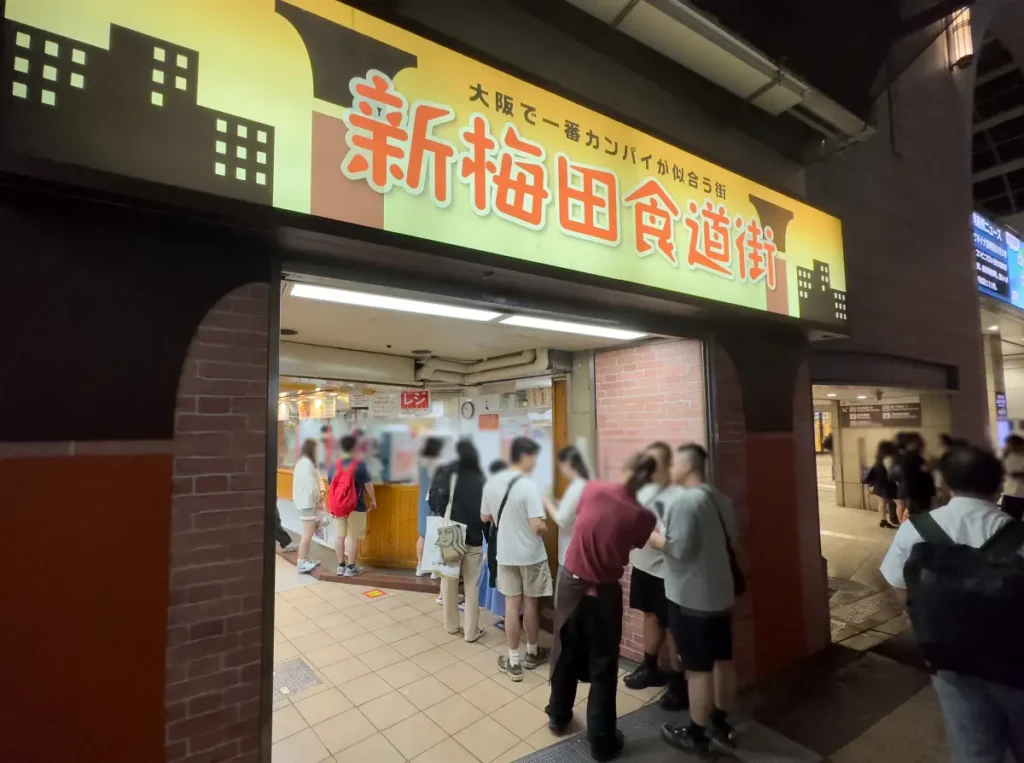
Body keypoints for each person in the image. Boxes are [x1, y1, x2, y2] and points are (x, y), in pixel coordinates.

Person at [880, 445, 1024, 762]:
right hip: (1015, 660)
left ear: (944, 485)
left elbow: (898, 586)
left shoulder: (915, 529)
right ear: (999, 485)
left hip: (948, 657)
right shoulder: (1018, 535)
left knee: (973, 747)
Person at [547, 452, 660, 761]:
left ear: (623, 467)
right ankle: (601, 741)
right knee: (603, 665)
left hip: (570, 584)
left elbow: (580, 521)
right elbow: (635, 541)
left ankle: (558, 715)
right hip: (605, 593)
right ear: (649, 480)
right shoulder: (643, 515)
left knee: (564, 650)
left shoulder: (591, 489)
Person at [653, 444, 739, 756]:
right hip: (720, 596)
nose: (670, 468)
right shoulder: (720, 499)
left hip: (692, 600)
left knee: (699, 670)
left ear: (687, 465)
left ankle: (697, 734)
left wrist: (653, 537)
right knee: (723, 662)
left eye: (674, 462)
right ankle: (721, 721)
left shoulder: (686, 501)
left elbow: (679, 549)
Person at [622, 442, 687, 710]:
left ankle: (679, 682)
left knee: (673, 626)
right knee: (649, 616)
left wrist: (644, 533)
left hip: (667, 573)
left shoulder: (677, 496)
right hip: (643, 566)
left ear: (667, 465)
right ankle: (650, 666)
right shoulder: (642, 491)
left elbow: (674, 540)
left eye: (655, 463)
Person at [481, 437, 552, 681]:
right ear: (525, 457)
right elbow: (535, 526)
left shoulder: (491, 483)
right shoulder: (528, 486)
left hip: (506, 555)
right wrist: (545, 527)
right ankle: (532, 653)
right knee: (531, 605)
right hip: (531, 556)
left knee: (512, 606)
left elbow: (484, 517)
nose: (535, 463)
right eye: (534, 458)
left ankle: (513, 661)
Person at [434, 440, 488, 642]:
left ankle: (451, 626)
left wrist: (449, 514)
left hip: (451, 533)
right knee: (472, 585)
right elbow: (486, 510)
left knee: (449, 580)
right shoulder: (481, 477)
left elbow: (434, 501)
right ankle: (471, 632)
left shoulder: (447, 472)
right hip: (474, 535)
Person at [328, 434, 376, 577]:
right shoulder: (360, 466)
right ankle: (351, 567)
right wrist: (373, 500)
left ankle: (340, 566)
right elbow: (368, 484)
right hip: (356, 505)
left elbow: (331, 484)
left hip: (337, 506)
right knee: (352, 536)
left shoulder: (334, 466)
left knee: (339, 536)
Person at [543, 446, 590, 577]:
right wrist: (561, 504)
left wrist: (546, 500)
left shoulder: (576, 487)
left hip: (570, 557)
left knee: (565, 596)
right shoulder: (585, 483)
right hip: (578, 555)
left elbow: (562, 519)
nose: (561, 471)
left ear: (567, 464)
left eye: (561, 467)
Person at [480, 459, 509, 629]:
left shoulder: (491, 490)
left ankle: (506, 616)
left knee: (500, 578)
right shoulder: (519, 488)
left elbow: (484, 517)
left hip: (497, 540)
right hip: (519, 543)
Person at [293, 438, 325, 574]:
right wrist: (319, 497)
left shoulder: (303, 462)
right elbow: (311, 485)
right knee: (307, 534)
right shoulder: (306, 463)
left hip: (305, 502)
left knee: (308, 533)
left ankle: (305, 558)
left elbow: (316, 480)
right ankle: (301, 562)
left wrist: (320, 490)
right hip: (307, 503)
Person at [416, 437, 445, 576]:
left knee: (422, 534)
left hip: (423, 501)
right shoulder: (438, 464)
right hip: (436, 501)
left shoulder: (420, 464)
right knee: (436, 535)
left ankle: (420, 566)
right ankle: (434, 569)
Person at [892, 432, 935, 523]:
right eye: (918, 441)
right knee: (916, 516)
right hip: (918, 493)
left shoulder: (913, 456)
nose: (922, 443)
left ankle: (904, 527)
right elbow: (913, 476)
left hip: (918, 493)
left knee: (911, 513)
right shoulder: (911, 457)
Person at [863, 440, 899, 528]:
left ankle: (883, 521)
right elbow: (892, 473)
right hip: (888, 485)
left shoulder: (878, 458)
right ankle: (902, 521)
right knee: (900, 503)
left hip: (880, 484)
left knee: (882, 502)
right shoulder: (888, 459)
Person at [1002, 434, 1024, 521]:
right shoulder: (1007, 456)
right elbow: (1007, 472)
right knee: (1009, 520)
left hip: (1018, 492)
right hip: (1011, 493)